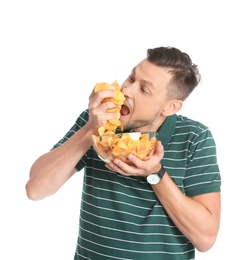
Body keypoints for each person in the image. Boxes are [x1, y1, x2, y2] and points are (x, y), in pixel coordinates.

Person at [26, 46, 221, 259]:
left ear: (171, 107)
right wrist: (90, 130)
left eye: (144, 90)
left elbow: (206, 239)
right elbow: (35, 189)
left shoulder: (195, 137)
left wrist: (155, 174)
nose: (126, 91)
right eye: (131, 78)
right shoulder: (96, 123)